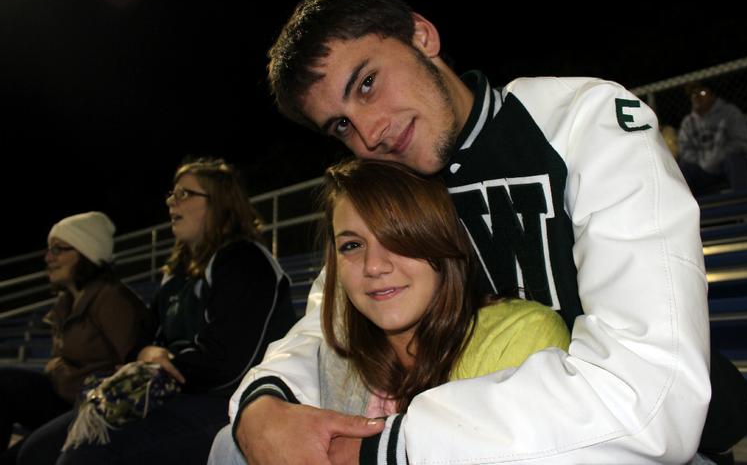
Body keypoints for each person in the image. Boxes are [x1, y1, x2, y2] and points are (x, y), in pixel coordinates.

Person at [227, 0, 747, 465]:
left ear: (421, 36)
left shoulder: (581, 119)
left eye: (366, 83)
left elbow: (652, 394)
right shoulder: (394, 178)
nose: (369, 133)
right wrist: (262, 402)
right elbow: (328, 314)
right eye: (341, 124)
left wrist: (390, 448)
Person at [209, 159, 570, 464]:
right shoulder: (342, 359)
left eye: (397, 238)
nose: (374, 266)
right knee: (228, 444)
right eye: (352, 245)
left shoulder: (522, 337)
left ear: (440, 240)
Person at [24, 158, 297, 465]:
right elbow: (140, 341)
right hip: (178, 393)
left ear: (219, 203)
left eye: (184, 194)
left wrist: (160, 364)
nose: (170, 201)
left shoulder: (246, 260)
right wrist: (149, 354)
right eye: (171, 194)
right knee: (35, 452)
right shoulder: (176, 273)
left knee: (84, 457)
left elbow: (225, 362)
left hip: (229, 402)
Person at [0, 211, 154, 464]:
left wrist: (70, 376)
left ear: (86, 253)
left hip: (91, 406)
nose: (48, 257)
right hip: (64, 399)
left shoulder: (111, 298)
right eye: (49, 249)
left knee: (21, 457)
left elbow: (133, 369)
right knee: (5, 382)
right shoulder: (65, 303)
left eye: (59, 249)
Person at [678, 82, 747, 196]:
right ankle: (689, 210)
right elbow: (685, 150)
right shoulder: (688, 122)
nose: (697, 97)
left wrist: (717, 157)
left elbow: (742, 141)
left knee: (735, 160)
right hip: (702, 168)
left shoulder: (729, 112)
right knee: (683, 168)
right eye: (693, 94)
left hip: (725, 164)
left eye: (702, 93)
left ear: (713, 96)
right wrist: (703, 162)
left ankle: (745, 204)